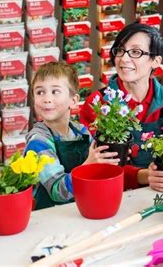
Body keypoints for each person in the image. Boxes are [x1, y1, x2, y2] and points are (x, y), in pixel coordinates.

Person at [80, 22, 163, 193]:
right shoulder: (98, 103)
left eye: (135, 52)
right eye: (120, 50)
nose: (124, 59)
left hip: (160, 194)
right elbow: (98, 166)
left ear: (156, 61)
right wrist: (143, 176)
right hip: (111, 194)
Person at [25, 62, 119, 209]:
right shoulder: (38, 141)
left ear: (73, 100)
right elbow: (58, 191)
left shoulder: (81, 131)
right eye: (40, 92)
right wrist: (89, 165)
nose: (46, 99)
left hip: (81, 210)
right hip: (50, 217)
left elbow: (99, 171)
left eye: (55, 91)